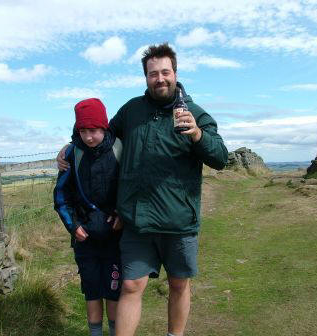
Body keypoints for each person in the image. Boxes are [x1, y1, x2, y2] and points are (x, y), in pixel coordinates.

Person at [58, 43, 228, 336]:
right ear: (145, 77)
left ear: (175, 72)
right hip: (137, 220)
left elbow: (220, 158)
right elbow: (100, 134)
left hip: (178, 221)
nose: (159, 78)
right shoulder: (132, 110)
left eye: (165, 72)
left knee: (178, 284)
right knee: (130, 284)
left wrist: (199, 135)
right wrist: (71, 145)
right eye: (152, 74)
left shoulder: (196, 114)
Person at [54, 98, 123, 336]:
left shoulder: (119, 149)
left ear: (104, 127)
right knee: (92, 291)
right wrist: (73, 227)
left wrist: (122, 215)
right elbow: (61, 195)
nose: (89, 137)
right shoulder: (73, 154)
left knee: (114, 292)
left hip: (115, 238)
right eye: (83, 131)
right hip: (85, 240)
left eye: (93, 131)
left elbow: (130, 188)